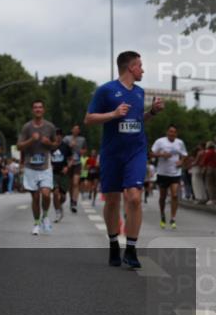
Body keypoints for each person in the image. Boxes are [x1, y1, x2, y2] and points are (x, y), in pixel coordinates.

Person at [85, 51, 164, 269]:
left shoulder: (139, 92)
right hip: (112, 153)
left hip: (136, 152)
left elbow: (138, 120)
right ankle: (113, 244)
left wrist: (152, 112)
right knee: (112, 200)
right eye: (140, 65)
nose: (143, 70)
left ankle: (131, 249)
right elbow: (89, 119)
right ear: (130, 67)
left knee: (134, 198)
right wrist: (113, 114)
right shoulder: (106, 90)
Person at [19, 99, 60, 235]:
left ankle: (45, 216)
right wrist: (31, 140)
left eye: (40, 107)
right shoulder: (27, 127)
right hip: (30, 167)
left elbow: (55, 145)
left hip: (45, 166)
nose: (38, 109)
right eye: (35, 107)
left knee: (46, 194)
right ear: (33, 110)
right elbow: (19, 146)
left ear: (43, 110)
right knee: (35, 197)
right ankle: (36, 223)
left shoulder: (50, 127)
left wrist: (49, 143)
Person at [151, 124, 188, 229]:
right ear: (167, 132)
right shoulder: (160, 141)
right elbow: (151, 154)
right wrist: (161, 155)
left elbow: (185, 154)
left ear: (176, 133)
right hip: (162, 173)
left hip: (175, 173)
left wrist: (181, 161)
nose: (172, 134)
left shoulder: (180, 143)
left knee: (175, 195)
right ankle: (162, 215)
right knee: (162, 197)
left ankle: (173, 218)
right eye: (170, 131)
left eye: (174, 132)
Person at [62, 125, 86, 212]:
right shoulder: (66, 138)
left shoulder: (82, 139)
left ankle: (75, 202)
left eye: (77, 129)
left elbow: (84, 150)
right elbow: (62, 149)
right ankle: (71, 200)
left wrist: (82, 152)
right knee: (70, 184)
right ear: (71, 130)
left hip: (77, 163)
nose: (76, 130)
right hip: (68, 163)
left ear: (79, 131)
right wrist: (70, 146)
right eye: (74, 129)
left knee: (76, 183)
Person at [50, 128, 72, 223]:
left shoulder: (66, 147)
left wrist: (67, 167)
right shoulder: (50, 146)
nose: (58, 137)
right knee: (55, 192)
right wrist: (48, 165)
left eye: (59, 135)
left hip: (63, 174)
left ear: (62, 136)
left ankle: (59, 205)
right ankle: (58, 212)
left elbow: (71, 159)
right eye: (56, 135)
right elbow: (46, 157)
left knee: (63, 197)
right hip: (52, 173)